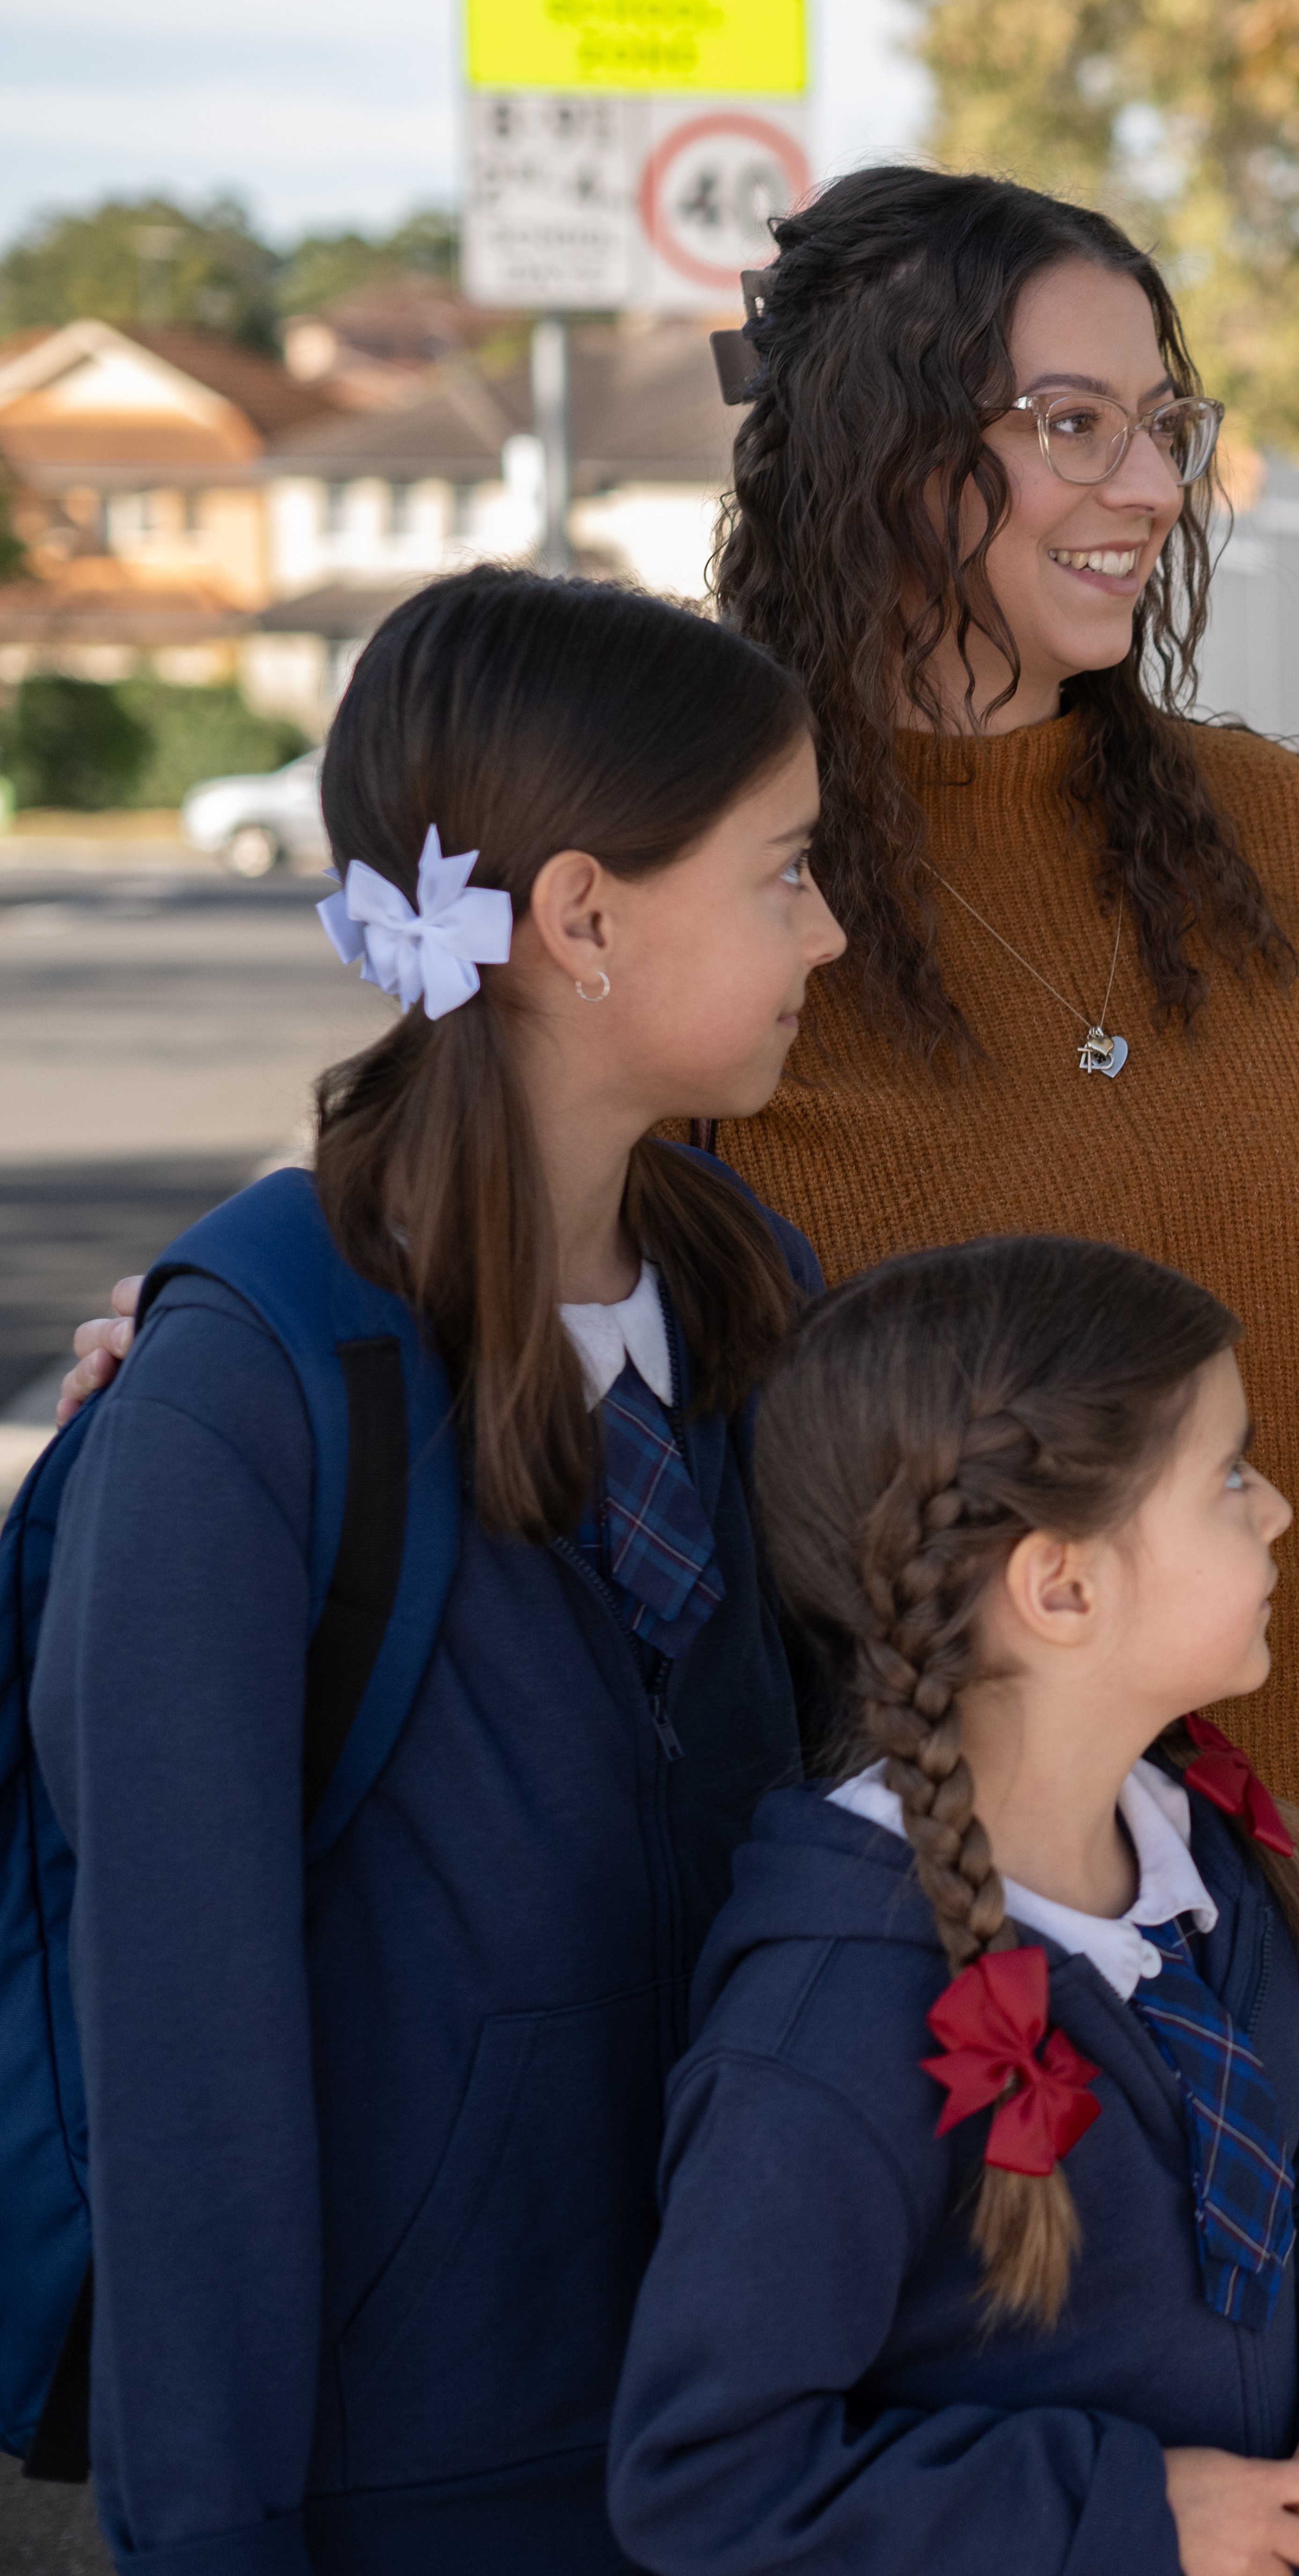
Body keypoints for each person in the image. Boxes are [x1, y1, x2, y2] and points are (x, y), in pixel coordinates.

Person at [56, 169, 1299, 2575]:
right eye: (1072, 423)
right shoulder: (722, 934)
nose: (1153, 488)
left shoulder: (1273, 845)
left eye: (1165, 421)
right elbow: (490, 1168)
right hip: (963, 1984)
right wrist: (225, 1336)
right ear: (895, 451)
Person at [35, 566, 842, 2569]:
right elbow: (181, 2064)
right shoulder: (244, 1394)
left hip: (763, 2438)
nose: (833, 926)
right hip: (416, 2486)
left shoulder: (761, 1304)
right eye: (786, 873)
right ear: (579, 915)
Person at [609, 1236, 1299, 2576]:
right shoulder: (831, 2030)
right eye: (1230, 1473)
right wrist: (1126, 2514)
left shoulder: (1215, 1877)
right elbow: (705, 2482)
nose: (1278, 1508)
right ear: (1061, 1586)